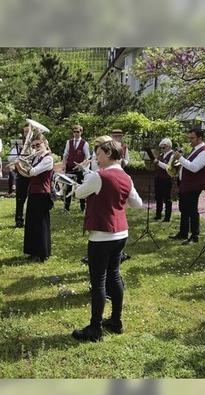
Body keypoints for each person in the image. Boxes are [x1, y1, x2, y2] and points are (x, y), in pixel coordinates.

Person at [72, 136, 143, 342]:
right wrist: (117, 205)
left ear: (109, 154)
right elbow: (137, 203)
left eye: (99, 153)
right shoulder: (126, 177)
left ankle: (95, 328)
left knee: (99, 281)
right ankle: (116, 321)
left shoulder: (99, 176)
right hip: (121, 233)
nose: (96, 156)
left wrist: (91, 178)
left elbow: (78, 193)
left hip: (102, 235)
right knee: (114, 275)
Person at [171, 128, 205, 244]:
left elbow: (194, 167)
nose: (190, 140)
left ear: (200, 138)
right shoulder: (195, 150)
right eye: (189, 138)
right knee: (184, 209)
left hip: (194, 185)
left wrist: (180, 158)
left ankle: (195, 235)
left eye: (192, 138)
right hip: (186, 184)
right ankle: (183, 233)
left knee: (192, 210)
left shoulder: (204, 152)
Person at [23, 133, 54, 262]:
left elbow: (33, 171)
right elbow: (28, 174)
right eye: (34, 146)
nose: (36, 148)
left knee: (41, 223)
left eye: (38, 145)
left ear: (45, 143)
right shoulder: (36, 157)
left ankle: (43, 253)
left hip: (42, 193)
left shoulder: (48, 159)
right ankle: (33, 251)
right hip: (33, 192)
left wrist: (22, 164)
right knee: (31, 223)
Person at [62, 124, 90, 212]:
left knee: (80, 187)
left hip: (79, 169)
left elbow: (87, 157)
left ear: (81, 132)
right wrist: (63, 165)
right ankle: (66, 207)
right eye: (74, 132)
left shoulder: (84, 143)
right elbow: (65, 155)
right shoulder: (68, 142)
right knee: (68, 187)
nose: (76, 133)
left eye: (78, 132)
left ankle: (83, 208)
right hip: (69, 168)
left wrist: (81, 165)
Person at [8, 124, 31, 227]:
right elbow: (10, 158)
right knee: (20, 198)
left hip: (34, 175)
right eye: (25, 131)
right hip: (21, 174)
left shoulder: (38, 143)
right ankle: (19, 220)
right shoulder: (19, 143)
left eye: (29, 131)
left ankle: (32, 219)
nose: (27, 134)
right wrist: (19, 154)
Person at [152, 137, 174, 222]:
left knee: (167, 199)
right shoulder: (161, 155)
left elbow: (168, 167)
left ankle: (167, 217)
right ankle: (158, 215)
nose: (161, 149)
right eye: (161, 147)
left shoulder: (172, 155)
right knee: (158, 197)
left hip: (166, 179)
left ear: (168, 146)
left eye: (163, 147)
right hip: (158, 178)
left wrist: (158, 162)